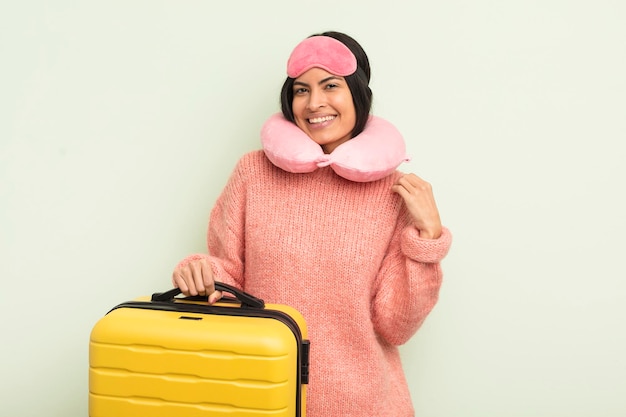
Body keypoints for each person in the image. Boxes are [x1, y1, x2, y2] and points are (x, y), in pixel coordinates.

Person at [172, 31, 452, 417]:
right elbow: (229, 277)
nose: (314, 103)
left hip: (363, 404)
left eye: (330, 86)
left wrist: (428, 238)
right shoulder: (253, 172)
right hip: (261, 397)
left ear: (358, 93)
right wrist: (200, 274)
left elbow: (396, 326)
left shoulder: (395, 191)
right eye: (301, 90)